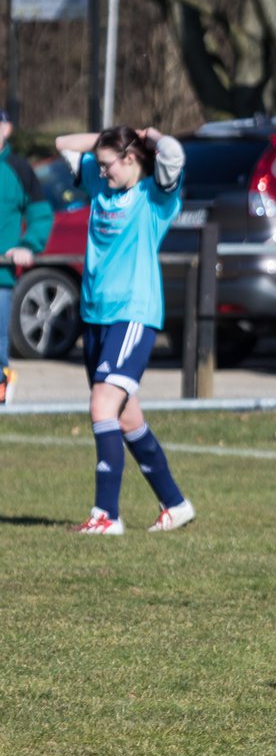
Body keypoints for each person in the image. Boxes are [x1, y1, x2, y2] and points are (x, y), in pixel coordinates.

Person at [56, 126, 195, 536]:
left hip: (132, 314)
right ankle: (175, 503)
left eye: (107, 165)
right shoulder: (102, 192)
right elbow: (63, 144)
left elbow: (172, 153)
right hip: (96, 316)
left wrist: (145, 134)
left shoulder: (155, 197)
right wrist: (108, 140)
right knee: (125, 415)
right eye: (98, 165)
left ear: (132, 159)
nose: (101, 173)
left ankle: (107, 515)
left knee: (102, 406)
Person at [0, 109, 54, 405]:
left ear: (6, 129)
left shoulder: (18, 169)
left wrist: (28, 245)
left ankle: (1, 397)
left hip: (1, 277)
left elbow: (40, 215)